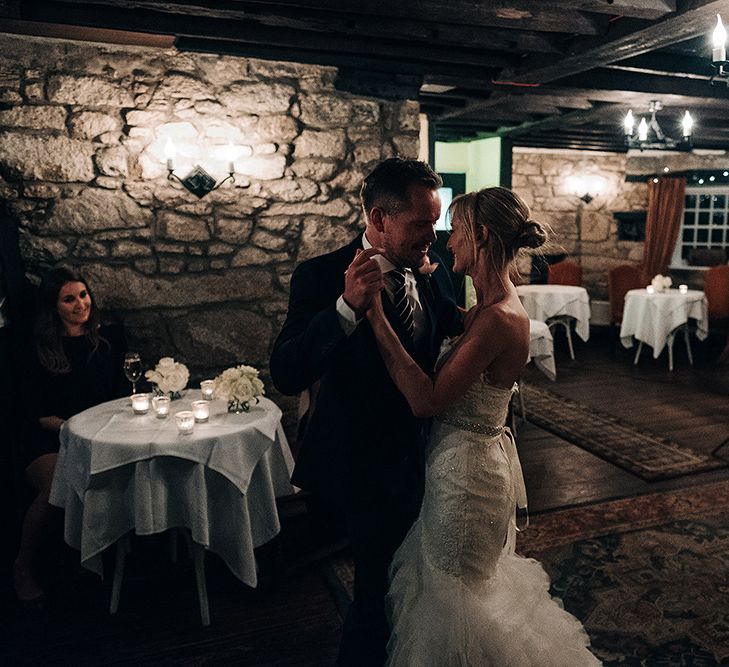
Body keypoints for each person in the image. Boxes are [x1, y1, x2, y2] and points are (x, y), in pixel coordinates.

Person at [365, 187, 600, 665]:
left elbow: (428, 399)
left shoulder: (499, 318)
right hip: (459, 464)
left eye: (457, 232)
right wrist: (424, 283)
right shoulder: (491, 306)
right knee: (455, 586)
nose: (448, 243)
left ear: (483, 235)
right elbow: (456, 324)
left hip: (468, 478)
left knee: (458, 600)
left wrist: (375, 318)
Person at [270, 158, 462, 665]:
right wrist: (345, 309)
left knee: (422, 578)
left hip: (433, 456)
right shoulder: (320, 276)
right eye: (421, 223)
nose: (432, 235)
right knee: (378, 589)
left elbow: (443, 333)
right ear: (379, 219)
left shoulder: (432, 265)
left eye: (435, 222)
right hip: (364, 466)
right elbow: (286, 372)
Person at [12, 267, 126, 607]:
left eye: (83, 295)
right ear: (54, 308)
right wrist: (73, 429)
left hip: (102, 432)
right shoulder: (39, 349)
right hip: (51, 436)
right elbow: (36, 414)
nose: (80, 304)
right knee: (57, 485)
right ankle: (23, 565)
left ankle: (97, 559)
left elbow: (121, 393)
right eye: (69, 299)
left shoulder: (108, 340)